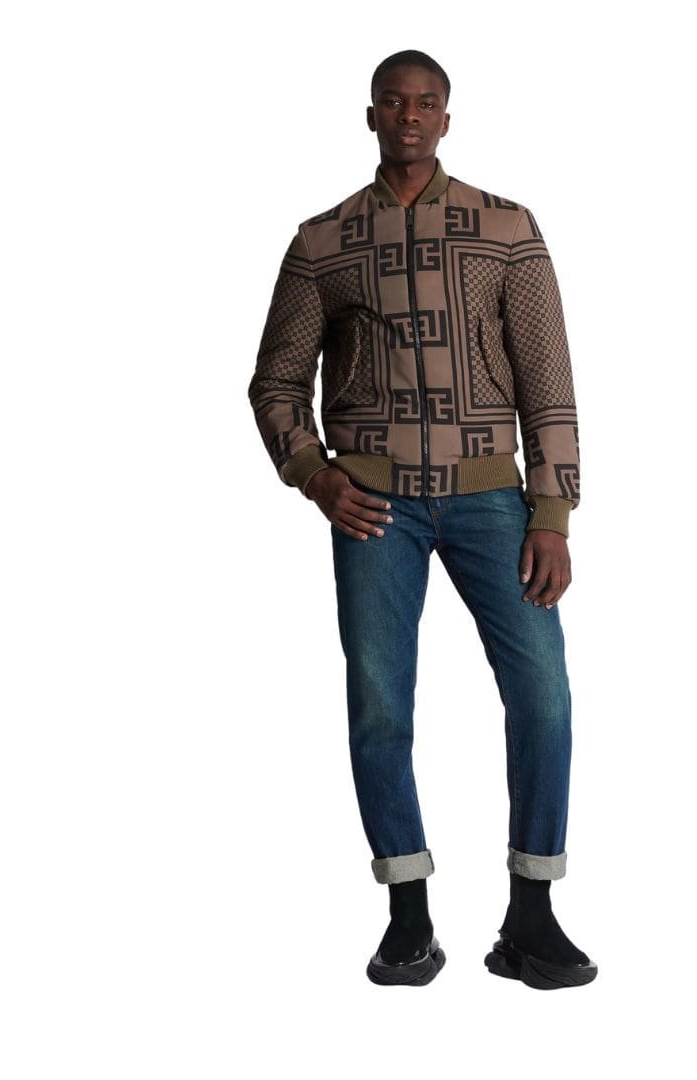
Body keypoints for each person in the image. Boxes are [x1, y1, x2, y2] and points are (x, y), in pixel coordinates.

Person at [249, 49, 595, 990]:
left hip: (492, 501)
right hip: (373, 508)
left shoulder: (506, 228)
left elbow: (549, 379)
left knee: (544, 695)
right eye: (394, 103)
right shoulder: (322, 243)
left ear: (448, 117)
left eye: (426, 102)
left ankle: (532, 913)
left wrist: (552, 509)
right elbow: (276, 382)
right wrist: (315, 476)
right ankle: (407, 917)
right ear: (372, 116)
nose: (410, 116)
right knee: (379, 705)